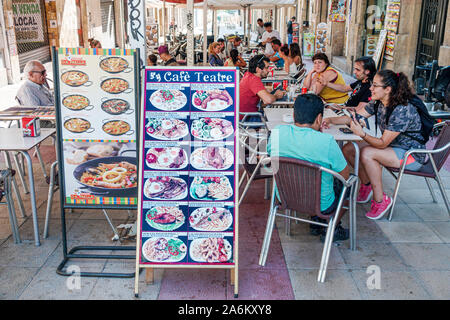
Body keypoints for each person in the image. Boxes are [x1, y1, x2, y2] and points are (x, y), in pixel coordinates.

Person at [323, 70, 425, 220]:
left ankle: (380, 200)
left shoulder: (402, 109)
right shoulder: (378, 103)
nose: (371, 88)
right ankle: (367, 184)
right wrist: (331, 120)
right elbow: (355, 117)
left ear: (388, 89)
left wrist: (362, 134)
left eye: (375, 85)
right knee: (349, 149)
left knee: (368, 153)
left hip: (411, 155)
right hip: (394, 148)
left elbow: (382, 143)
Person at [267, 93, 350, 240]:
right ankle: (331, 228)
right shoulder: (327, 141)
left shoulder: (277, 133)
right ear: (319, 118)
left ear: (293, 115)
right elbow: (345, 176)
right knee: (348, 187)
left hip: (284, 197)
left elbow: (270, 155)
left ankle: (317, 220)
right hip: (322, 204)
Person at [239, 54, 285, 121]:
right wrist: (276, 96)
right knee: (278, 118)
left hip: (244, 115)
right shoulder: (254, 79)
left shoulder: (248, 75)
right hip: (248, 118)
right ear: (258, 69)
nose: (268, 70)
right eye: (266, 68)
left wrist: (265, 90)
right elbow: (268, 100)